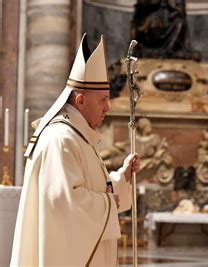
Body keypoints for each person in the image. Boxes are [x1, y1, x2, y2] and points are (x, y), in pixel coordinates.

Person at [11, 33, 140, 266]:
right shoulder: (60, 139)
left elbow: (90, 187)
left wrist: (122, 177)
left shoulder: (77, 136)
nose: (107, 107)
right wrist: (109, 203)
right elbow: (64, 202)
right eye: (102, 100)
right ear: (80, 100)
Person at [101, 117, 174, 183]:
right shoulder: (136, 139)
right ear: (143, 128)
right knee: (112, 150)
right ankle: (96, 157)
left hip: (133, 157)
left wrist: (160, 152)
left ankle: (101, 164)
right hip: (128, 152)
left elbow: (160, 152)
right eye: (148, 126)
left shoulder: (154, 138)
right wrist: (119, 145)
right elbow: (126, 144)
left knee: (115, 161)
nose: (150, 127)